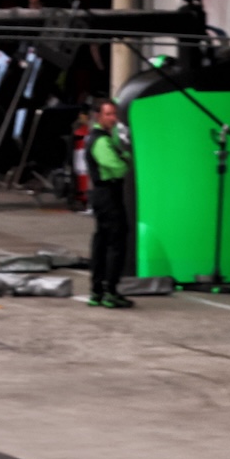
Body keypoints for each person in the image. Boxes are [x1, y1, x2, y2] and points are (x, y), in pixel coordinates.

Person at [86, 99, 132, 309]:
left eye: (114, 114)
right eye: (108, 115)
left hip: (102, 194)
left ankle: (98, 289)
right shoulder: (101, 141)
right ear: (98, 116)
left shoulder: (103, 137)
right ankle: (110, 290)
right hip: (107, 193)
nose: (113, 119)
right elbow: (117, 167)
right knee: (116, 240)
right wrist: (125, 157)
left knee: (103, 240)